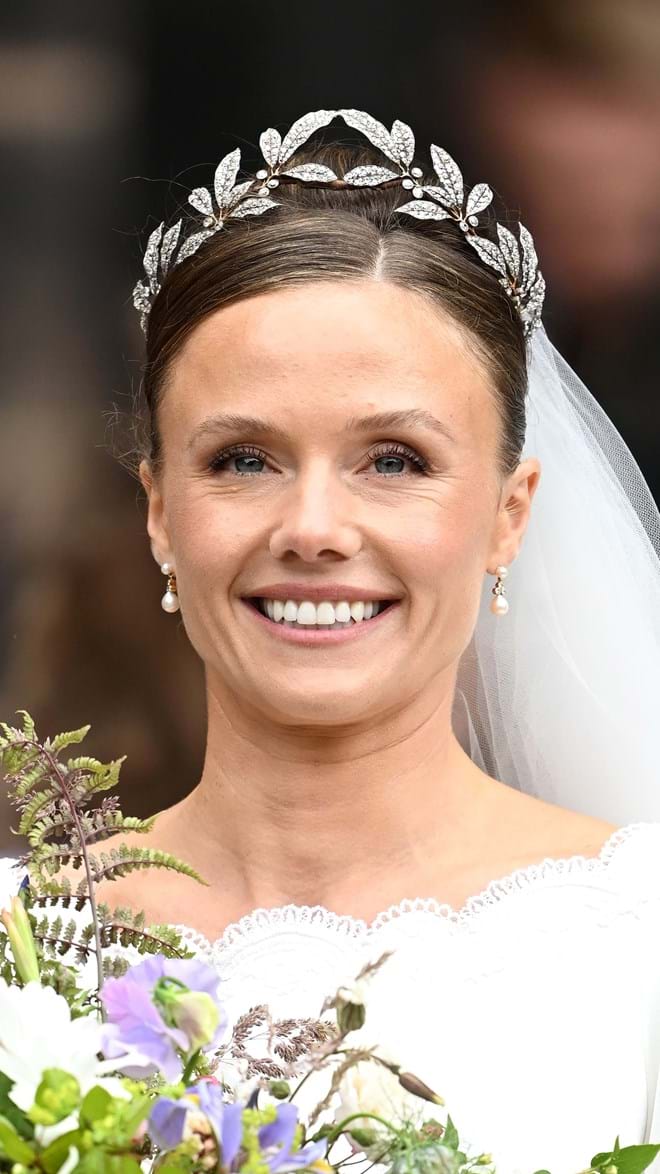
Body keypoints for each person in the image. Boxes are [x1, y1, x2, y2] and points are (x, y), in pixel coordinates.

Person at [2, 109, 660, 1173]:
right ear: (160, 511)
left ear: (509, 514)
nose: (312, 528)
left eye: (394, 459)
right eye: (244, 460)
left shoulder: (640, 946)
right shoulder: (17, 955)